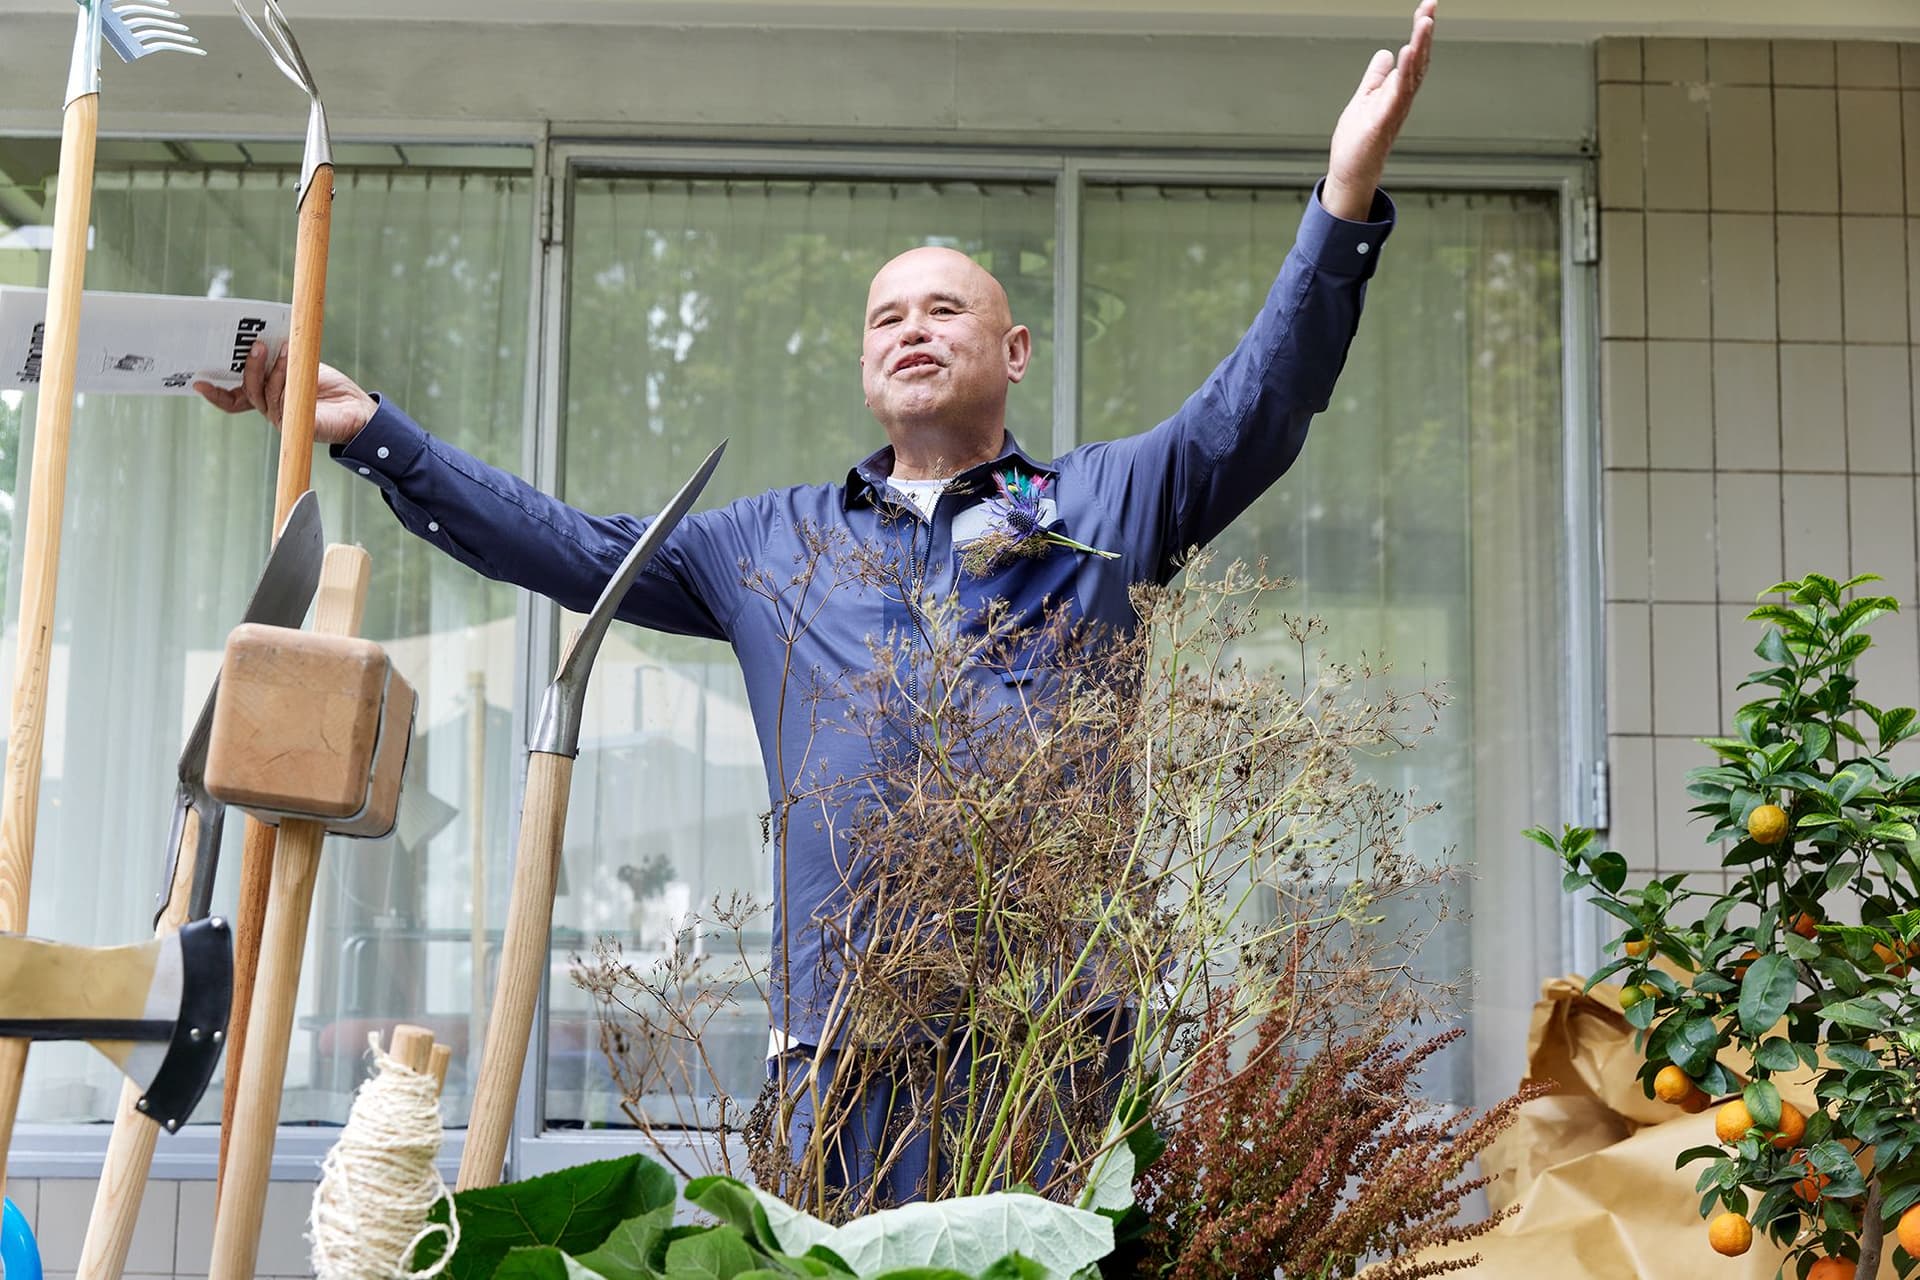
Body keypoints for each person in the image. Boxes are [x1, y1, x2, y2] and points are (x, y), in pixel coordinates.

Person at [200, 0, 1435, 1201]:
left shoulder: (1103, 507)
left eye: (946, 309)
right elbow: (569, 546)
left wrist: (1341, 200)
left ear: (1012, 354)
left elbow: (1257, 405)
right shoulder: (770, 544)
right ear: (861, 366)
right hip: (839, 1049)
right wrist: (375, 436)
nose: (912, 330)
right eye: (887, 317)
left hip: (1053, 1044)